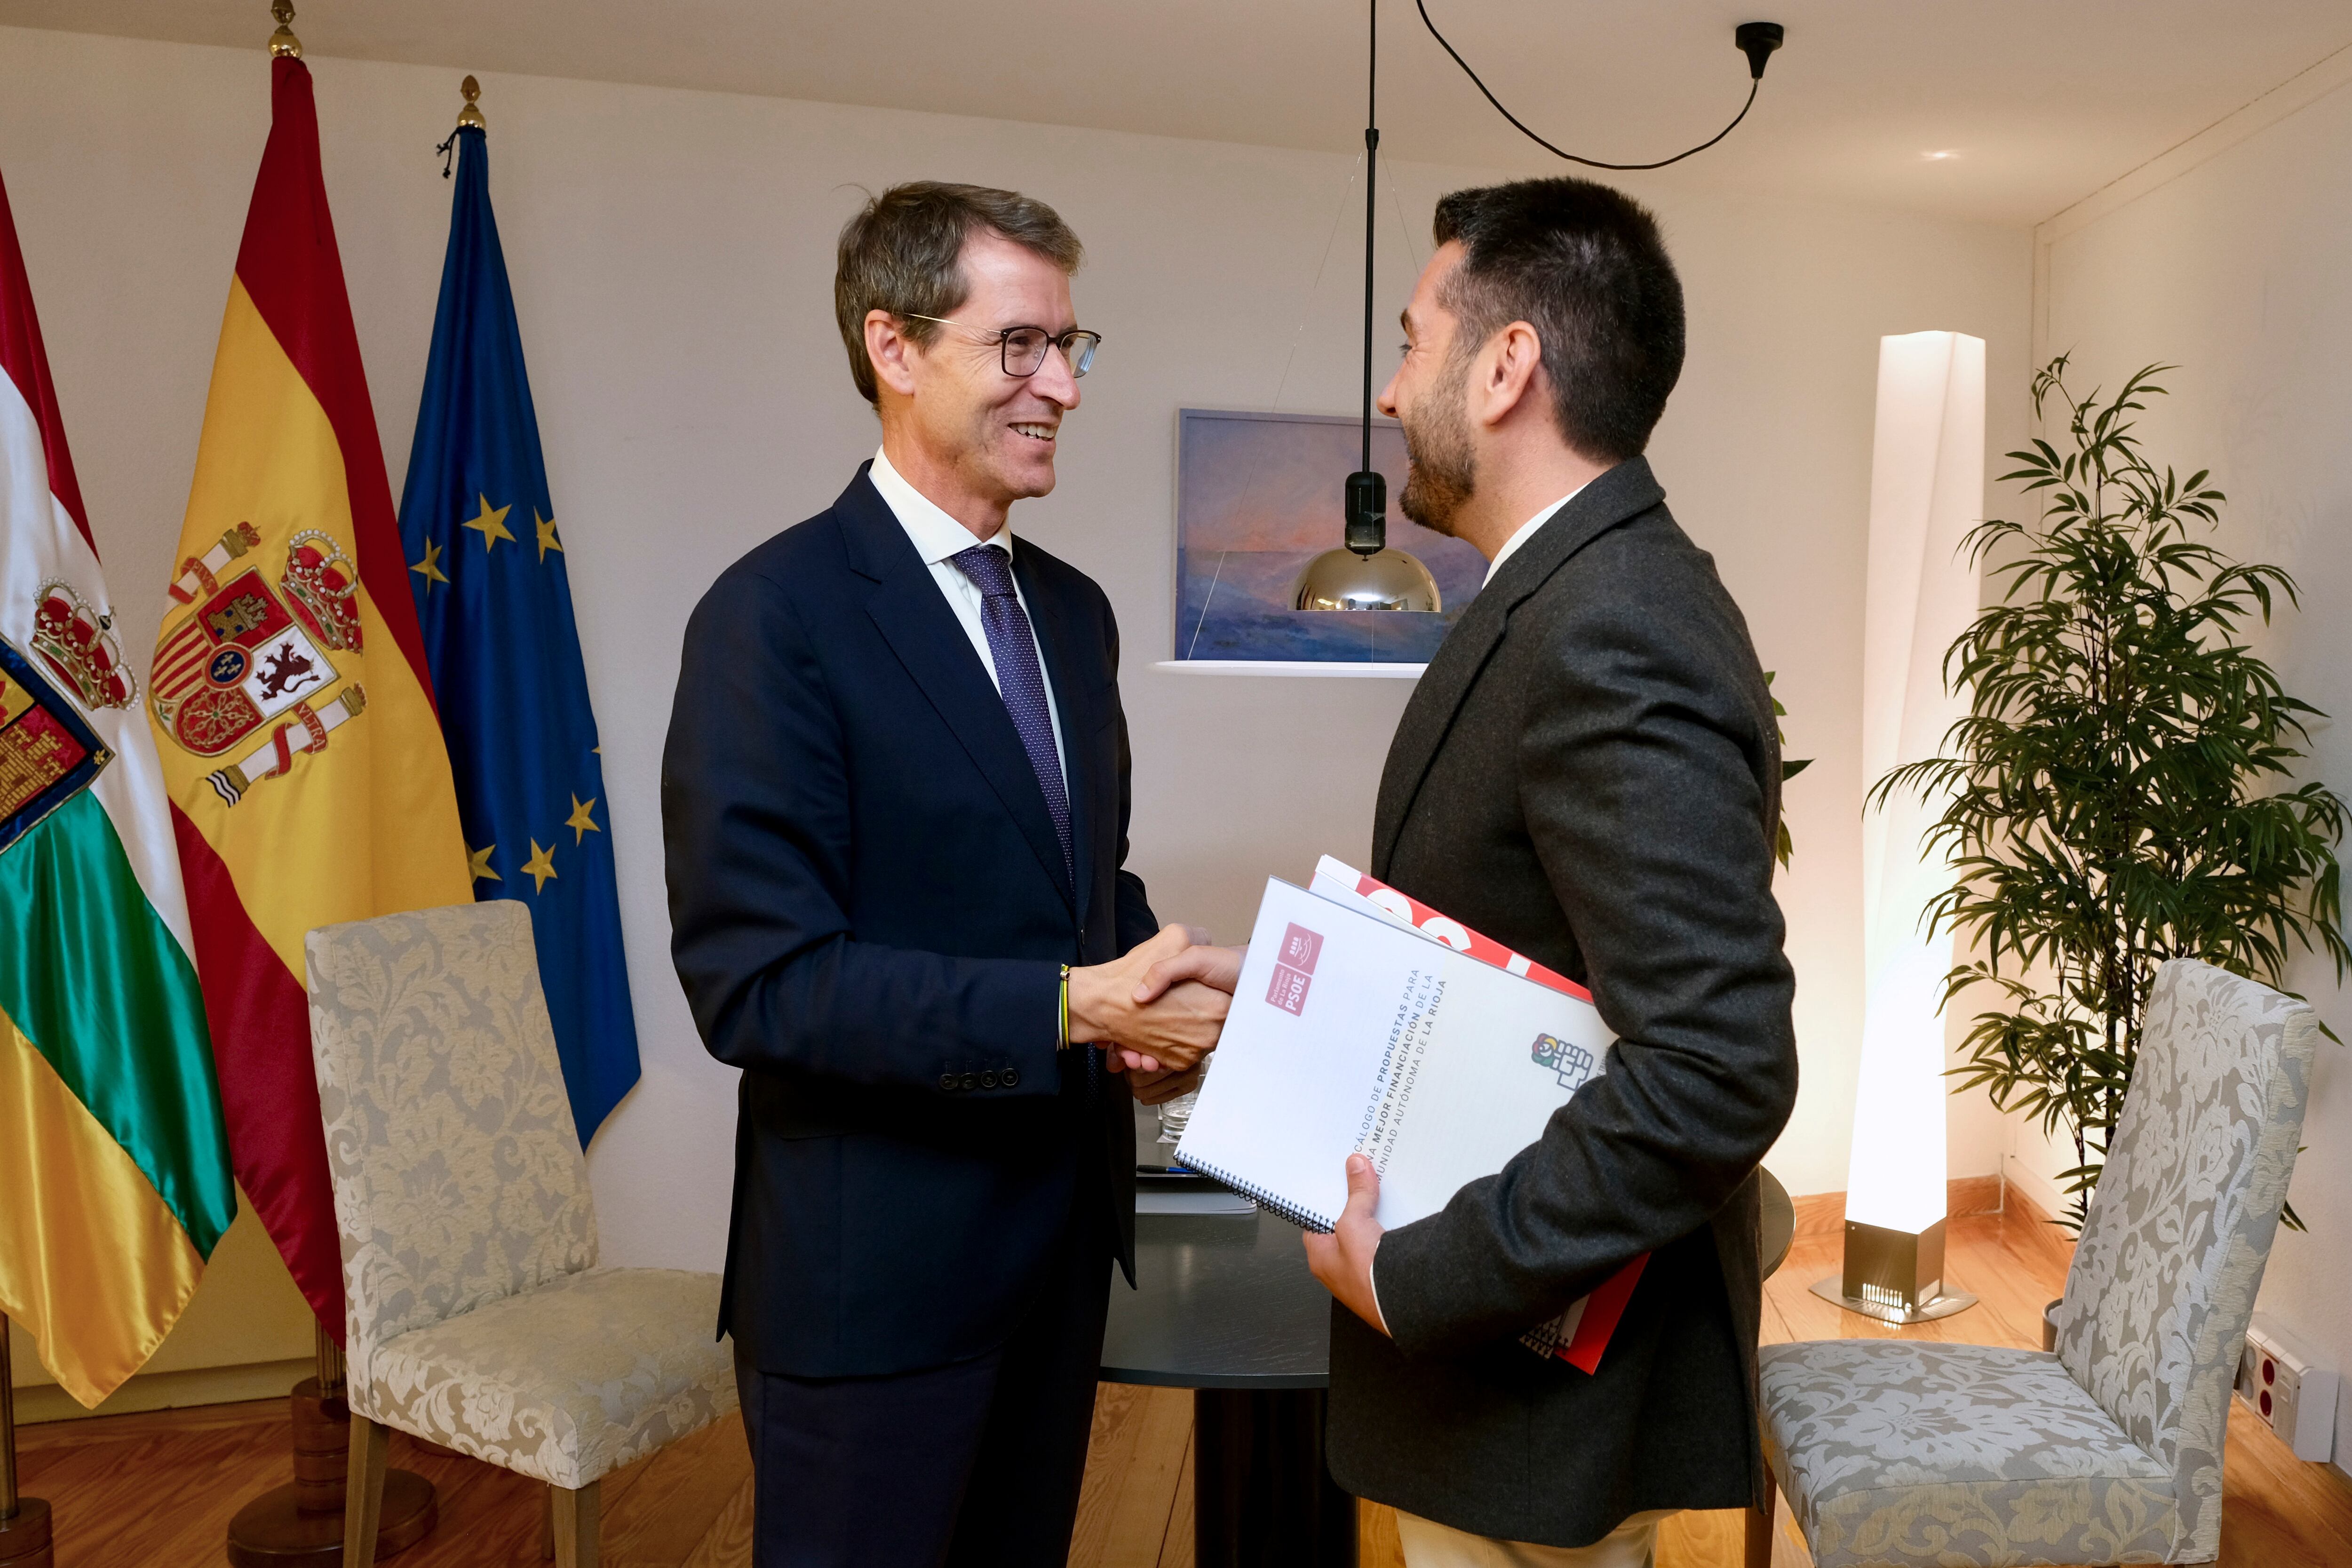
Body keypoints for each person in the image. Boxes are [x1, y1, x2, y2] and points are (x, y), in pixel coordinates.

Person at [1135, 177, 1799, 1566]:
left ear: (1508, 366)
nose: (1390, 392)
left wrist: (1427, 1273)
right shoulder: (1569, 592)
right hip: (1496, 1399)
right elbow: (1514, 952)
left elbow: (1720, 1065)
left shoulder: (1616, 624)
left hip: (1539, 1390)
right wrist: (1275, 1004)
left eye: (1411, 338)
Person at [663, 181, 1220, 1568]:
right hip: (873, 1293)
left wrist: (1150, 991)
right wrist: (1074, 1011)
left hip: (1056, 1263)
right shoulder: (770, 618)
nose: (1061, 389)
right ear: (892, 349)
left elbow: (1084, 886)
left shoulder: (1075, 615)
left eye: (1072, 349)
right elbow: (763, 986)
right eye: (1019, 346)